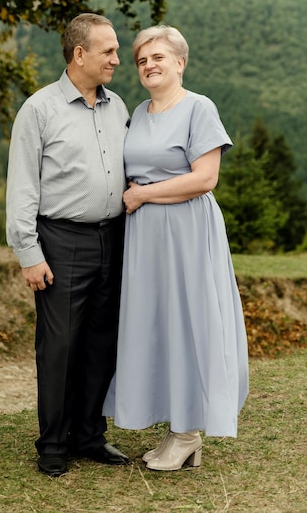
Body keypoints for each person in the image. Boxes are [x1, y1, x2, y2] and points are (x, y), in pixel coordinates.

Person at [103, 25, 249, 471]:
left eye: (158, 57)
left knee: (189, 321)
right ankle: (177, 430)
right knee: (157, 323)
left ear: (180, 62)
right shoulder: (140, 113)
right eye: (142, 60)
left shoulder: (199, 108)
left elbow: (205, 179)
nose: (149, 65)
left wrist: (143, 194)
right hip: (146, 238)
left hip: (187, 231)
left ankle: (188, 432)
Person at [6, 13, 130, 477]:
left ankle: (89, 435)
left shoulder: (118, 107)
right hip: (59, 241)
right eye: (109, 51)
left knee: (101, 342)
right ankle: (54, 443)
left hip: (112, 240)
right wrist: (29, 253)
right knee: (59, 346)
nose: (117, 60)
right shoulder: (38, 110)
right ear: (80, 54)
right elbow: (21, 188)